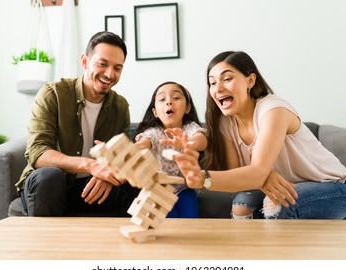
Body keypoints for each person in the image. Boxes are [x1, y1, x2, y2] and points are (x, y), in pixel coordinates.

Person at [172, 50, 346, 219]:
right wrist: (262, 177)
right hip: (286, 186)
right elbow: (238, 174)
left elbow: (256, 173)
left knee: (275, 205)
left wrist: (203, 178)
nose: (217, 88)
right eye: (212, 82)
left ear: (250, 81)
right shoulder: (225, 122)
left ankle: (272, 255)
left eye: (227, 79)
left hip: (334, 189)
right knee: (241, 205)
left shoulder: (273, 109)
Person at [15, 31, 140, 217]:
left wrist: (110, 173)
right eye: (102, 64)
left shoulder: (120, 106)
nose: (109, 74)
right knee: (50, 176)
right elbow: (38, 152)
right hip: (54, 184)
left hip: (92, 188)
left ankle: (129, 243)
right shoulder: (53, 94)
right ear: (84, 61)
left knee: (135, 181)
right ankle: (45, 244)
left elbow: (121, 157)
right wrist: (90, 165)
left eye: (117, 68)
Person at [132, 81, 207, 218]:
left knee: (191, 221)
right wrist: (121, 149)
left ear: (187, 108)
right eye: (162, 99)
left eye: (176, 98)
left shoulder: (189, 128)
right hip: (159, 190)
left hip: (185, 188)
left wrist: (188, 143)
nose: (169, 102)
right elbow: (142, 144)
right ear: (155, 112)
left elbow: (202, 141)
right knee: (170, 223)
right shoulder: (153, 132)